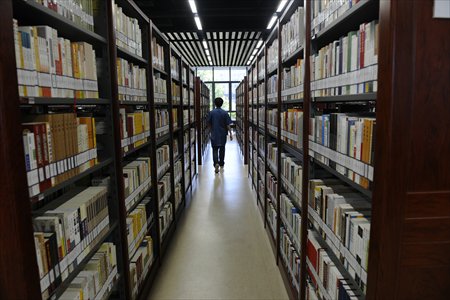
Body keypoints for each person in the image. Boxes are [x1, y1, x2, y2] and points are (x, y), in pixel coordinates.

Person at [207, 97, 233, 173]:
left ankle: (216, 163)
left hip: (214, 133)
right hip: (222, 134)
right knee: (222, 149)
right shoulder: (225, 113)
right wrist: (230, 134)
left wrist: (211, 129)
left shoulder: (211, 113)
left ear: (215, 103)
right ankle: (221, 163)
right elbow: (228, 124)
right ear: (222, 104)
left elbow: (208, 123)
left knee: (215, 149)